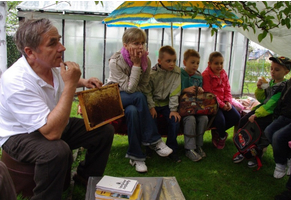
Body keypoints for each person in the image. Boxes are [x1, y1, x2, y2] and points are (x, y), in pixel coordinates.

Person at [0, 18, 114, 200]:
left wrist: (83, 82)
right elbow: (52, 133)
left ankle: (85, 179)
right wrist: (70, 86)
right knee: (57, 151)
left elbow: (60, 81)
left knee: (103, 130)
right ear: (30, 52)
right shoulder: (16, 81)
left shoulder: (49, 65)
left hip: (49, 121)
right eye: (52, 43)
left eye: (59, 40)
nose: (62, 47)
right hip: (19, 134)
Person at [107, 28, 173, 173]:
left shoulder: (146, 61)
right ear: (125, 44)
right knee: (137, 96)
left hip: (134, 101)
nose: (140, 47)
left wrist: (150, 105)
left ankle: (136, 157)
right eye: (136, 43)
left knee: (132, 112)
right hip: (115, 98)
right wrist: (136, 65)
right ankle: (155, 141)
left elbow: (143, 87)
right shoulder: (115, 61)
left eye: (142, 43)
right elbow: (129, 89)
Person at [233, 56, 291, 167]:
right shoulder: (271, 83)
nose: (273, 71)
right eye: (272, 68)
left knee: (259, 133)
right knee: (243, 122)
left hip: (270, 115)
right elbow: (263, 99)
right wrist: (260, 89)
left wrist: (256, 114)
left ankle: (256, 154)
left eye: (277, 69)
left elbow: (271, 104)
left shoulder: (283, 87)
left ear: (286, 72)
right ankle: (243, 149)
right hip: (261, 109)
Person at [265, 51, 291, 179]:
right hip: (284, 117)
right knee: (269, 131)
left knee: (278, 136)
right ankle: (289, 157)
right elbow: (280, 101)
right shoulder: (290, 82)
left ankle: (280, 163)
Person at [145, 45, 181, 163]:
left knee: (174, 121)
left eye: (174, 60)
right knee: (151, 120)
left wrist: (174, 109)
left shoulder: (177, 72)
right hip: (154, 103)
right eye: (168, 61)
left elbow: (175, 92)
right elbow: (148, 91)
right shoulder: (151, 73)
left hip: (167, 104)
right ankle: (150, 147)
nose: (172, 64)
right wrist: (151, 107)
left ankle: (171, 149)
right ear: (159, 61)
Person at [202, 51, 241, 149]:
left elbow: (227, 89)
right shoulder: (206, 75)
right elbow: (210, 94)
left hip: (224, 102)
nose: (219, 66)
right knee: (221, 120)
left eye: (221, 63)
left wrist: (228, 101)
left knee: (236, 117)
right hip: (213, 104)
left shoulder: (223, 73)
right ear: (209, 64)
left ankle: (217, 131)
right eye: (216, 63)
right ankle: (222, 136)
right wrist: (222, 105)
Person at [180, 49, 208, 161]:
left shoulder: (198, 77)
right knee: (190, 119)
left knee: (204, 118)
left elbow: (202, 96)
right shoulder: (179, 74)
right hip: (182, 108)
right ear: (184, 62)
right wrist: (184, 90)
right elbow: (173, 91)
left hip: (195, 107)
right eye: (192, 62)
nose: (195, 65)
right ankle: (189, 149)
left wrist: (201, 91)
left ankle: (198, 146)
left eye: (197, 63)